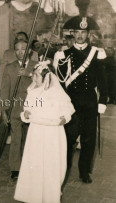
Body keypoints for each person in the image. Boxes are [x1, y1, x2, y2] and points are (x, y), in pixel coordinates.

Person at [54, 15, 108, 183]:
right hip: (71, 103)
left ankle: (84, 172)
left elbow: (103, 79)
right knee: (68, 138)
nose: (80, 35)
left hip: (90, 102)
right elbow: (60, 82)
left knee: (88, 139)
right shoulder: (64, 54)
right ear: (73, 33)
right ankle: (65, 168)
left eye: (83, 32)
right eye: (77, 32)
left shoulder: (97, 53)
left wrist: (102, 101)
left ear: (88, 34)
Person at [14, 62, 75, 203]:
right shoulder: (33, 91)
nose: (33, 78)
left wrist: (64, 118)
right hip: (36, 133)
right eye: (34, 75)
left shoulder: (56, 92)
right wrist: (26, 114)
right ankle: (33, 194)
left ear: (46, 77)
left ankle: (50, 195)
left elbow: (68, 109)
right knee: (35, 162)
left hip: (53, 135)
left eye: (36, 76)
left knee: (51, 164)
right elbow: (26, 111)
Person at [0, 39, 38, 179]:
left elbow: (45, 83)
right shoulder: (10, 68)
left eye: (23, 49)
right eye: (17, 49)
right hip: (15, 109)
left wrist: (28, 74)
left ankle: (31, 166)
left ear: (29, 51)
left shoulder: (36, 66)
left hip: (33, 109)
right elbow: (5, 90)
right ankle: (15, 168)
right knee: (16, 139)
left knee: (32, 139)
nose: (20, 52)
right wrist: (4, 110)